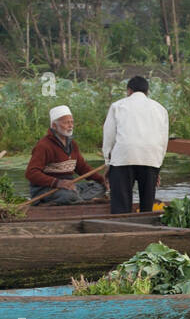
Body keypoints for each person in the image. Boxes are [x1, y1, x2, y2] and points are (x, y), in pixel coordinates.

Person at [103, 75, 169, 215]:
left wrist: (108, 163)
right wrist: (157, 167)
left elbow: (109, 137)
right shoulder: (160, 109)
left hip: (123, 157)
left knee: (121, 205)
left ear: (129, 91)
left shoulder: (118, 106)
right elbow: (163, 141)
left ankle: (122, 229)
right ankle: (146, 227)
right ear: (147, 92)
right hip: (151, 157)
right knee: (147, 205)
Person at [25, 106, 108, 205]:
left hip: (70, 187)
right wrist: (58, 183)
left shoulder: (72, 144)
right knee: (69, 196)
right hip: (46, 190)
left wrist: (102, 180)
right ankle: (75, 200)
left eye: (71, 122)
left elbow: (82, 168)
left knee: (100, 187)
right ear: (54, 126)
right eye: (66, 122)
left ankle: (76, 200)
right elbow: (31, 173)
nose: (70, 125)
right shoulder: (44, 145)